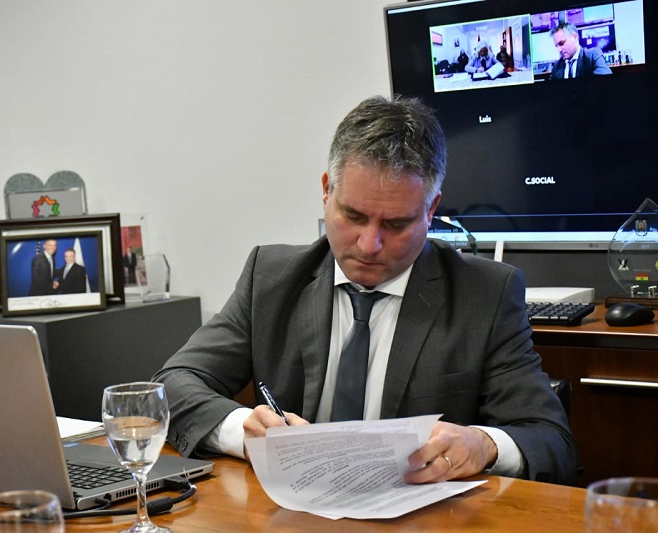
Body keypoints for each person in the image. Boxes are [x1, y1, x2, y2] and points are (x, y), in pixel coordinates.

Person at [152, 95, 577, 486]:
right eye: (353, 216)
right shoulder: (272, 276)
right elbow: (173, 383)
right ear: (326, 191)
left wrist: (484, 444)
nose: (369, 244)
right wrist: (242, 430)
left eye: (395, 224)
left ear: (431, 210)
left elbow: (550, 440)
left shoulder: (487, 293)